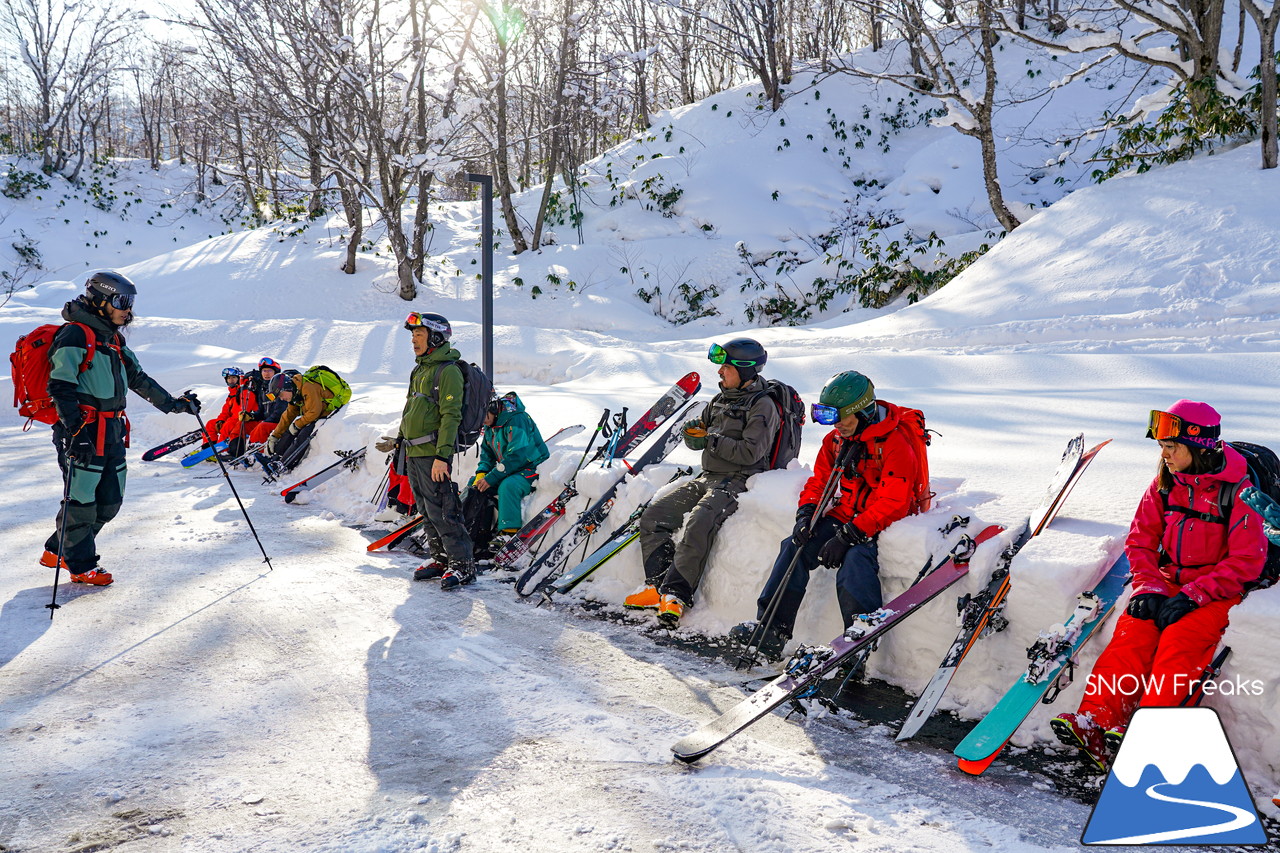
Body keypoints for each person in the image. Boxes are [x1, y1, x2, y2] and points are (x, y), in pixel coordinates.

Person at [1051, 401, 1266, 769]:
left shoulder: (1240, 492)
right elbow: (1140, 540)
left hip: (1216, 588)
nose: (1164, 455)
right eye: (1162, 448)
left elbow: (1247, 560)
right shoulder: (1165, 484)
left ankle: (1148, 732)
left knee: (1179, 643)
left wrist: (1194, 595)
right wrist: (1149, 586)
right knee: (1132, 635)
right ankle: (1097, 721)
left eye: (1172, 447)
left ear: (1199, 447)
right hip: (1167, 579)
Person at [730, 371, 925, 661]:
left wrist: (848, 535)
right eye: (830, 417)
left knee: (855, 563)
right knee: (794, 546)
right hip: (849, 515)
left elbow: (893, 502)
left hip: (889, 524)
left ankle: (856, 645)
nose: (836, 425)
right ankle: (771, 631)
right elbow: (820, 481)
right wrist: (806, 513)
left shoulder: (895, 444)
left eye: (842, 417)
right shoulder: (836, 439)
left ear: (863, 412)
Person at [39, 271, 201, 585]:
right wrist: (75, 432)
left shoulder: (113, 339)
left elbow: (138, 380)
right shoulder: (74, 334)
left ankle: (58, 548)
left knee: (110, 500)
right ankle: (81, 565)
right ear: (100, 300)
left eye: (130, 303)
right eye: (122, 301)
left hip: (112, 431)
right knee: (82, 501)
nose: (128, 310)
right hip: (82, 430)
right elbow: (60, 387)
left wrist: (176, 404)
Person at [624, 338, 781, 628]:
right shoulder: (720, 400)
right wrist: (693, 433)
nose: (720, 373)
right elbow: (703, 431)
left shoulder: (763, 406)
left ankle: (676, 594)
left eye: (726, 367)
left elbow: (751, 452)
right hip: (707, 477)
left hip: (738, 481)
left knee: (700, 521)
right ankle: (656, 585)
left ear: (745, 370)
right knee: (655, 516)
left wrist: (710, 440)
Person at [398, 311, 475, 590]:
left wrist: (442, 456)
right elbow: (410, 408)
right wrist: (400, 439)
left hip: (433, 454)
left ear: (436, 336)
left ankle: (462, 564)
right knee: (426, 509)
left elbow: (451, 415)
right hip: (414, 450)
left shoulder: (448, 370)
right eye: (413, 335)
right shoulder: (420, 369)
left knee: (443, 509)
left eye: (419, 334)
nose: (414, 340)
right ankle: (440, 558)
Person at [463, 391, 550, 559]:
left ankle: (508, 532)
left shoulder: (517, 420)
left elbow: (517, 455)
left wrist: (491, 477)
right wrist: (482, 473)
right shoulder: (490, 425)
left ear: (494, 408)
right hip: (509, 467)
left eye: (483, 416)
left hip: (532, 467)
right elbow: (487, 455)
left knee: (508, 486)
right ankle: (475, 530)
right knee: (475, 483)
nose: (482, 422)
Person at [263, 367, 341, 471]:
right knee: (289, 430)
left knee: (304, 433)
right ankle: (276, 457)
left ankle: (285, 463)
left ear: (287, 388)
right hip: (316, 414)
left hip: (327, 412)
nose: (281, 398)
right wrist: (275, 436)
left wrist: (297, 425)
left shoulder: (308, 387)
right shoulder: (296, 392)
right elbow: (288, 416)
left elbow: (314, 412)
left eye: (281, 395)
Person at [240, 357, 285, 449]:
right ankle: (237, 451)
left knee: (262, 427)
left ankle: (257, 454)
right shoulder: (263, 389)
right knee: (245, 425)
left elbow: (280, 412)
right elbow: (261, 412)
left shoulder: (281, 387)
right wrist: (251, 416)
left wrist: (265, 421)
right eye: (264, 371)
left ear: (275, 373)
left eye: (269, 371)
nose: (266, 373)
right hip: (268, 422)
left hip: (280, 423)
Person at [203, 366, 247, 452]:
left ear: (239, 378)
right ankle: (208, 449)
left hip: (240, 421)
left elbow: (240, 411)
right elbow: (225, 411)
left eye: (234, 377)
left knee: (227, 426)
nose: (231, 380)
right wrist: (220, 420)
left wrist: (227, 422)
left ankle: (221, 452)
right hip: (231, 421)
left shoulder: (243, 392)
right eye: (229, 378)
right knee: (211, 424)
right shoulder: (231, 394)